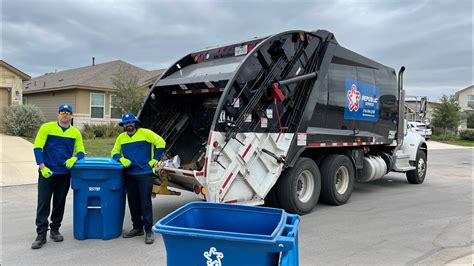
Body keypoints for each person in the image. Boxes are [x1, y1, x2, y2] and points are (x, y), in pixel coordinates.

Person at [31, 104, 85, 249]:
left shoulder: (75, 133)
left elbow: (81, 151)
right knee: (43, 203)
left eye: (68, 113)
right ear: (58, 115)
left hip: (64, 174)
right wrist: (42, 167)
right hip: (47, 172)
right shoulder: (47, 128)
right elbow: (37, 148)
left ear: (72, 116)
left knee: (59, 203)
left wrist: (75, 158)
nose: (65, 115)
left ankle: (55, 230)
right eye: (62, 112)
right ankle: (41, 234)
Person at [111, 113, 166, 244]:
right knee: (133, 202)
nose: (128, 124)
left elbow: (161, 143)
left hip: (144, 174)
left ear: (135, 123)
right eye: (126, 123)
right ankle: (137, 228)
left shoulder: (145, 133)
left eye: (130, 122)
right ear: (123, 125)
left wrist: (154, 160)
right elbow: (114, 152)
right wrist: (120, 158)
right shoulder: (121, 137)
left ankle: (148, 231)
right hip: (129, 174)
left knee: (145, 203)